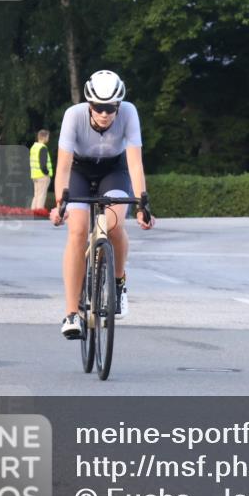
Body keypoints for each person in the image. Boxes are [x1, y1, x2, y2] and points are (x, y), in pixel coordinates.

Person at [49, 70, 154, 338]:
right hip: (79, 171)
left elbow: (134, 162)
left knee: (114, 223)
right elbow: (62, 166)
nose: (105, 114)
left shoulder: (129, 113)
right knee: (77, 231)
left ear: (119, 105)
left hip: (113, 170)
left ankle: (118, 282)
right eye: (99, 107)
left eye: (111, 108)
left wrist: (143, 203)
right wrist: (59, 203)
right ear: (89, 104)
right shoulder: (73, 115)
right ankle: (72, 314)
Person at [29, 129, 53, 210]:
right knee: (42, 195)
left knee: (36, 195)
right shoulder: (43, 148)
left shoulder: (34, 147)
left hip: (35, 175)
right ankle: (39, 213)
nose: (48, 138)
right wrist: (46, 172)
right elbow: (43, 163)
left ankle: (33, 212)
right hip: (42, 175)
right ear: (44, 137)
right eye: (48, 137)